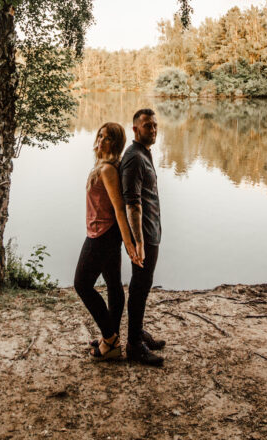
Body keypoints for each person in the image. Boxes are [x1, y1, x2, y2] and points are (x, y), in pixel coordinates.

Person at [74, 122, 143, 361]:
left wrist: (130, 244)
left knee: (82, 285)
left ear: (117, 143)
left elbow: (119, 209)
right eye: (100, 135)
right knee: (113, 284)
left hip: (102, 234)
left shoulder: (108, 170)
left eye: (108, 138)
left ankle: (111, 339)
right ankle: (109, 339)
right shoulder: (104, 166)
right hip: (104, 232)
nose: (102, 141)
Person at [120, 108, 167, 366]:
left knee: (143, 285)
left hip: (151, 231)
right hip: (144, 236)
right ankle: (134, 346)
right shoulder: (134, 158)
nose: (153, 130)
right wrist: (138, 243)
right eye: (148, 126)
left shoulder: (144, 154)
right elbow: (133, 204)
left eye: (155, 126)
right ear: (135, 129)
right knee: (139, 287)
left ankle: (137, 332)